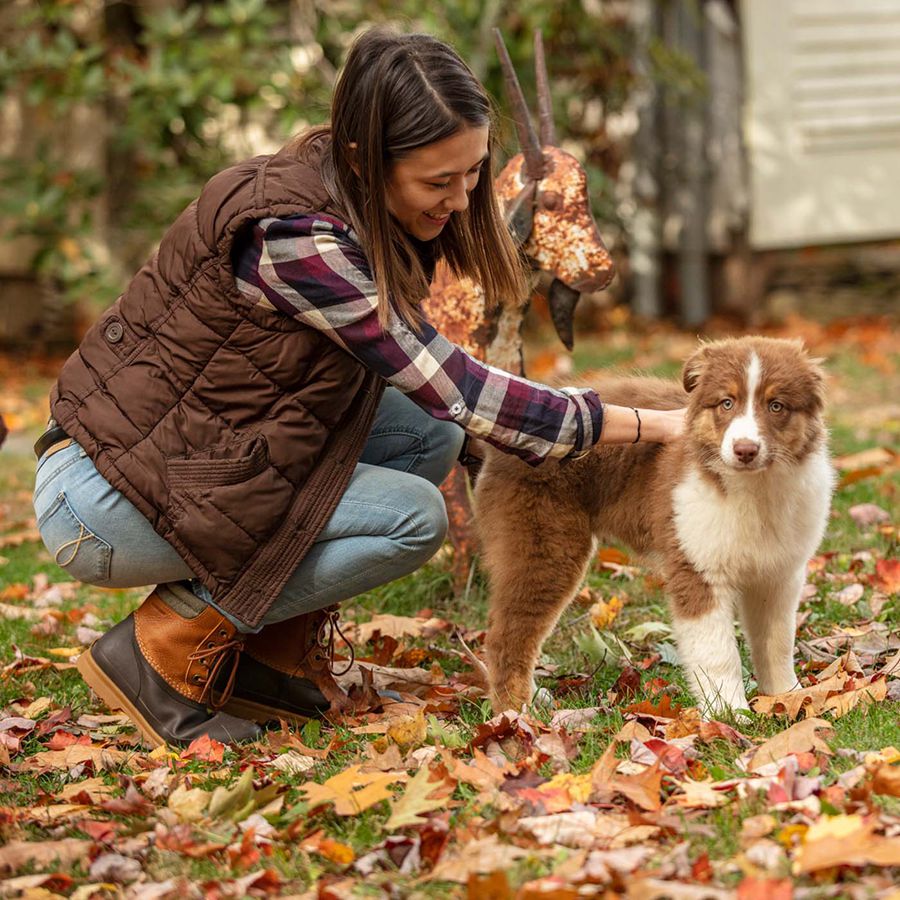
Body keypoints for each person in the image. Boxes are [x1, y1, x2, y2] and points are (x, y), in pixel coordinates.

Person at [32, 27, 685, 747]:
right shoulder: (296, 237)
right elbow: (460, 387)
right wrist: (653, 423)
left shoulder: (358, 201)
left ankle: (261, 654)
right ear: (363, 158)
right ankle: (162, 648)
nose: (464, 199)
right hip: (101, 500)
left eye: (472, 173)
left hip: (196, 456)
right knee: (411, 517)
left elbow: (443, 407)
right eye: (439, 182)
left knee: (426, 434)